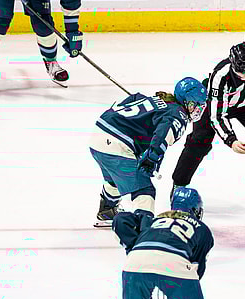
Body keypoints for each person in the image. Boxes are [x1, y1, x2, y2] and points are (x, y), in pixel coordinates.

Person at [171, 42, 245, 207]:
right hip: (217, 104)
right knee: (199, 141)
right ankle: (179, 183)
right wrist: (231, 140)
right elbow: (216, 115)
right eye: (244, 72)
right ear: (234, 67)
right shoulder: (220, 76)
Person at [108, 187, 217, 299]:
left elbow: (120, 220)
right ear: (195, 210)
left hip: (136, 263)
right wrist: (175, 289)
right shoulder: (202, 229)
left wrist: (135, 248)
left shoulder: (153, 220)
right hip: (177, 270)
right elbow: (197, 269)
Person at [89, 77, 207, 227]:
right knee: (144, 189)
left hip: (98, 137)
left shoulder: (157, 100)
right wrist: (152, 157)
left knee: (114, 179)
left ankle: (107, 211)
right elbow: (163, 134)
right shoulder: (179, 114)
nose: (197, 111)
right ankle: (143, 229)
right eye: (195, 105)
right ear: (186, 101)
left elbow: (132, 99)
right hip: (116, 145)